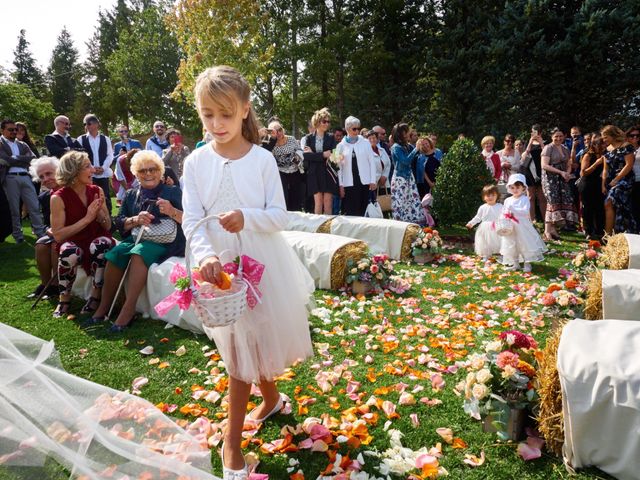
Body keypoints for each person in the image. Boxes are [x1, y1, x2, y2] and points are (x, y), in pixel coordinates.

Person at [181, 65, 313, 479]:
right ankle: (271, 398)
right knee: (240, 341)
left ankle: (231, 447)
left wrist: (247, 217)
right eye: (207, 114)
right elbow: (192, 218)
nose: (216, 123)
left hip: (261, 262)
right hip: (218, 269)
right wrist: (203, 255)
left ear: (244, 111)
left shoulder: (262, 159)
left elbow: (279, 215)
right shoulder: (194, 162)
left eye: (225, 113)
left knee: (242, 347)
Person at [88, 151, 185, 332]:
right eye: (142, 170)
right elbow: (119, 222)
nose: (148, 173)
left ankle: (128, 308)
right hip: (137, 238)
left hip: (167, 243)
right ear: (135, 173)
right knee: (115, 253)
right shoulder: (132, 194)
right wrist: (135, 220)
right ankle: (104, 305)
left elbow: (189, 220)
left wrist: (171, 211)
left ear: (161, 171)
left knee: (138, 252)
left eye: (153, 169)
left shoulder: (172, 191)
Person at [50, 151, 115, 318]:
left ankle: (96, 295)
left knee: (100, 245)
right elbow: (58, 235)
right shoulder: (58, 198)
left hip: (96, 236)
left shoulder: (96, 190)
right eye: (87, 166)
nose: (93, 170)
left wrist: (100, 214)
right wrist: (87, 219)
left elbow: (107, 226)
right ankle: (64, 298)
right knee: (69, 251)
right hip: (74, 239)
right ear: (73, 171)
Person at [0, 119, 45, 243]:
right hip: (9, 178)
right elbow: (4, 159)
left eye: (15, 129)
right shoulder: (1, 143)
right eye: (10, 129)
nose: (14, 132)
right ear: (2, 130)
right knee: (14, 209)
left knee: (34, 206)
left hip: (26, 177)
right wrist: (20, 159)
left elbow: (32, 158)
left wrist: (16, 158)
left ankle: (40, 234)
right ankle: (18, 236)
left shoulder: (22, 144)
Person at [27, 156, 61, 299]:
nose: (46, 179)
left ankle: (56, 286)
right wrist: (48, 229)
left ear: (58, 171)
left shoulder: (71, 189)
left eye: (49, 173)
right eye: (41, 176)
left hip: (72, 231)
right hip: (56, 232)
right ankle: (45, 284)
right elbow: (47, 221)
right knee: (40, 244)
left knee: (54, 244)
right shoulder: (45, 197)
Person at [500, 174, 546, 272]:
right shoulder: (508, 200)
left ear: (523, 188)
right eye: (512, 187)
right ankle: (516, 263)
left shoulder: (524, 199)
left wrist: (513, 210)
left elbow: (525, 211)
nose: (515, 190)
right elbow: (504, 211)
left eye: (517, 187)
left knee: (524, 244)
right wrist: (505, 215)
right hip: (510, 226)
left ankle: (527, 263)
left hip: (522, 225)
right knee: (512, 244)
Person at [541, 127, 578, 240]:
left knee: (560, 203)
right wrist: (560, 172)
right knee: (551, 203)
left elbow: (569, 163)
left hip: (562, 178)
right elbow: (544, 165)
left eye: (560, 136)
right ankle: (547, 231)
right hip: (550, 179)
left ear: (564, 136)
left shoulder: (565, 148)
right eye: (556, 136)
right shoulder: (548, 148)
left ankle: (553, 229)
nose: (558, 138)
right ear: (552, 137)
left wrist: (567, 173)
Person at [337, 116, 377, 217]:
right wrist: (340, 185)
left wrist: (373, 180)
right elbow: (338, 168)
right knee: (351, 211)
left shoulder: (365, 142)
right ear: (347, 129)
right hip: (348, 184)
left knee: (364, 209)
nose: (357, 131)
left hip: (365, 182)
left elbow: (372, 162)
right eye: (354, 129)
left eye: (358, 128)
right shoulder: (340, 146)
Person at [602, 125, 637, 234]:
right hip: (611, 181)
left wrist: (616, 180)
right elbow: (605, 169)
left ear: (613, 136)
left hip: (625, 179)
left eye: (605, 137)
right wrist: (603, 184)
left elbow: (629, 165)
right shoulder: (607, 150)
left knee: (609, 202)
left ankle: (608, 235)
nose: (604, 140)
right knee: (610, 204)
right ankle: (609, 236)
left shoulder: (626, 146)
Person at [302, 108, 338, 214]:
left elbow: (334, 156)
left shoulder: (332, 138)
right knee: (318, 202)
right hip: (314, 173)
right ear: (317, 122)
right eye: (324, 121)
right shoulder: (309, 138)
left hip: (328, 173)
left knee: (328, 203)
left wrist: (314, 154)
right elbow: (306, 156)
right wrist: (323, 155)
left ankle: (328, 229)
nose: (327, 124)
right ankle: (317, 229)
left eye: (328, 121)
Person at [389, 122, 425, 224]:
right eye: (404, 132)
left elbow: (418, 154)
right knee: (401, 204)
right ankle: (400, 226)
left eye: (406, 131)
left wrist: (420, 146)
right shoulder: (396, 147)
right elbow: (405, 161)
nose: (407, 134)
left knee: (412, 203)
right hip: (400, 180)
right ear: (399, 134)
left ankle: (413, 226)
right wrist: (416, 149)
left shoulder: (407, 146)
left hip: (409, 179)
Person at [77, 114, 114, 213]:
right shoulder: (81, 139)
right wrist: (92, 168)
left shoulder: (105, 139)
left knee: (105, 197)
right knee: (89, 197)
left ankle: (109, 218)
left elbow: (110, 155)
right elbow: (80, 156)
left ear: (97, 124)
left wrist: (103, 167)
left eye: (89, 123)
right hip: (88, 175)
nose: (87, 126)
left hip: (103, 173)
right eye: (85, 124)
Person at [270, 121, 305, 211]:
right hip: (280, 172)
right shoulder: (271, 143)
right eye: (275, 131)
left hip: (294, 170)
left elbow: (299, 150)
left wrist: (297, 156)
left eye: (280, 130)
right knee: (283, 195)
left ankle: (297, 216)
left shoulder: (291, 139)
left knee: (296, 195)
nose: (279, 133)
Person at [466, 184, 503, 261]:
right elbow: (478, 217)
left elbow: (504, 216)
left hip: (497, 226)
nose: (490, 197)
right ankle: (486, 255)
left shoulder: (500, 206)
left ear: (497, 196)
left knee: (499, 241)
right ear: (484, 197)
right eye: (488, 195)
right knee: (485, 242)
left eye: (493, 195)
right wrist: (471, 223)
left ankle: (500, 254)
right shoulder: (483, 207)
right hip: (485, 227)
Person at [579, 135, 605, 240]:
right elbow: (583, 172)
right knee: (588, 209)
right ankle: (588, 231)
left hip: (599, 184)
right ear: (594, 145)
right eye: (601, 144)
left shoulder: (605, 154)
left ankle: (600, 231)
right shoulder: (588, 155)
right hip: (588, 184)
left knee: (599, 208)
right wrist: (596, 164)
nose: (604, 146)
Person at [521, 125, 546, 223]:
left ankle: (545, 220)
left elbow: (547, 154)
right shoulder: (528, 143)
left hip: (541, 171)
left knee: (542, 197)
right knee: (530, 197)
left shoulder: (545, 143)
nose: (535, 134)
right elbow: (524, 157)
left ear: (540, 132)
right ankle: (532, 219)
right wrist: (530, 143)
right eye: (533, 132)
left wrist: (541, 142)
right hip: (529, 172)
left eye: (537, 132)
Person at [626, 126, 640, 229]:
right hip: (627, 181)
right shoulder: (624, 149)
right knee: (630, 207)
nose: (635, 137)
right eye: (632, 135)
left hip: (639, 180)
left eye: (637, 135)